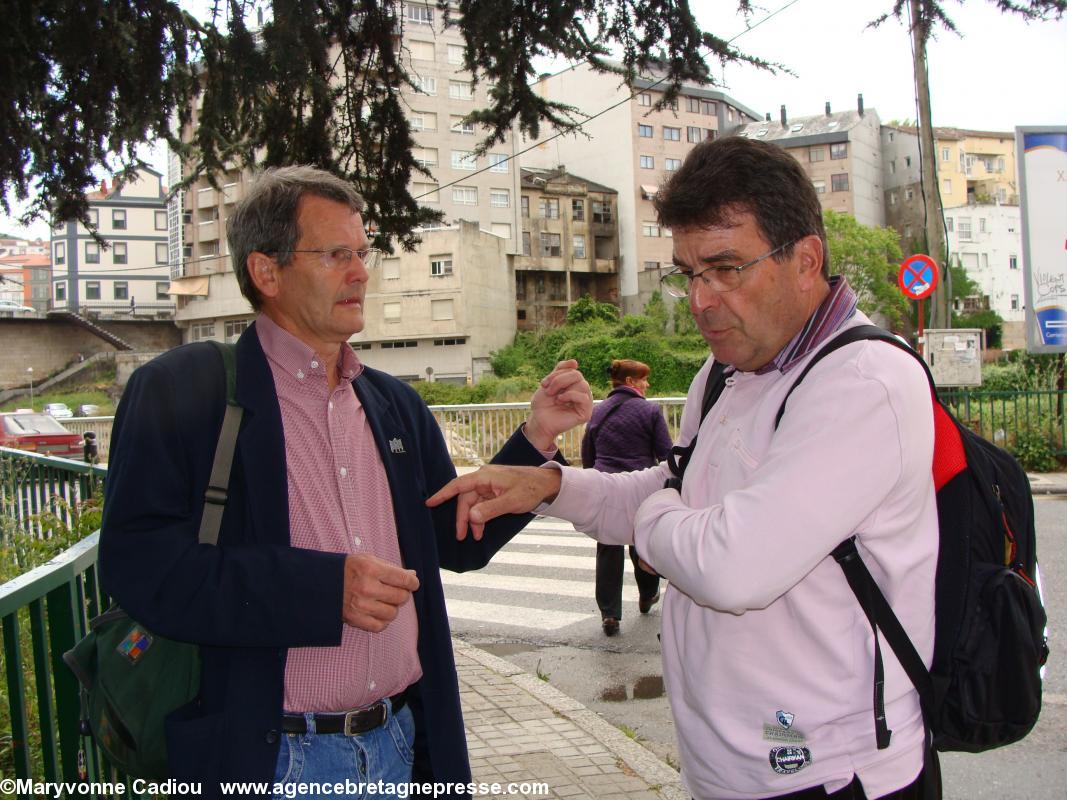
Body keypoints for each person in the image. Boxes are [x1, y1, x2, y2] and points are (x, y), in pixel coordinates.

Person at [429, 136, 940, 799]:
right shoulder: (725, 371)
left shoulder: (862, 382)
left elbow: (731, 566)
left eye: (726, 268)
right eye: (688, 272)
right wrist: (549, 484)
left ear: (805, 261)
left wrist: (653, 518)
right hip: (722, 772)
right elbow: (675, 489)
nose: (700, 300)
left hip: (831, 776)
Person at [98, 166, 589, 799]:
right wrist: (324, 591)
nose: (360, 272)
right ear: (266, 272)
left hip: (400, 746)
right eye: (335, 255)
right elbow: (140, 567)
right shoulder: (184, 390)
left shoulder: (394, 404)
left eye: (362, 253)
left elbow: (451, 540)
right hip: (271, 760)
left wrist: (536, 440)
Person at [581, 359, 672, 635]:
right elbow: (666, 454)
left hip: (607, 486)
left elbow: (588, 453)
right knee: (641, 542)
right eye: (643, 379)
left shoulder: (598, 412)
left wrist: (594, 480)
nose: (647, 384)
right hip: (639, 489)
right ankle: (648, 593)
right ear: (631, 382)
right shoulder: (650, 411)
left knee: (608, 547)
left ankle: (610, 614)